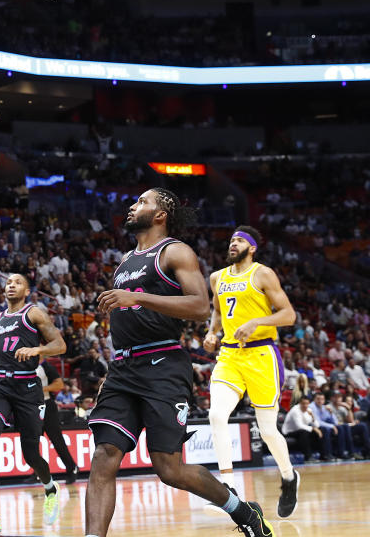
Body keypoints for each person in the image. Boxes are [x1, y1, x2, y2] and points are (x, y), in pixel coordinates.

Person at [85, 189, 273, 537]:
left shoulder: (175, 251)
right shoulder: (127, 259)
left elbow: (201, 307)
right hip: (123, 369)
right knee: (104, 455)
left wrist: (137, 296)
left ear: (160, 215)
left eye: (142, 201)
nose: (133, 205)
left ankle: (243, 512)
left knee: (169, 469)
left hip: (163, 365)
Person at [0, 273, 67, 531]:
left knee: (30, 454)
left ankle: (51, 489)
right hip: (0, 387)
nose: (11, 285)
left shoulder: (35, 314)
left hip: (28, 389)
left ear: (26, 291)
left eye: (17, 283)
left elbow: (60, 345)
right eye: (8, 283)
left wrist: (38, 350)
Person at [203, 225, 300, 516]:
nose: (233, 244)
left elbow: (289, 314)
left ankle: (289, 476)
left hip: (261, 355)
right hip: (230, 356)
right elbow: (219, 312)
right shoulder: (216, 277)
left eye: (239, 240)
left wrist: (257, 322)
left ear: (252, 247)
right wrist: (211, 333)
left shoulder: (263, 273)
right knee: (216, 415)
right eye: (231, 240)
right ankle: (228, 489)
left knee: (268, 431)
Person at [36, 358, 79, 483]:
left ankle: (72, 467)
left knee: (56, 439)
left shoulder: (46, 366)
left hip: (47, 405)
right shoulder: (25, 365)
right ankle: (38, 472)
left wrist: (41, 389)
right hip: (32, 407)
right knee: (32, 441)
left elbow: (59, 384)